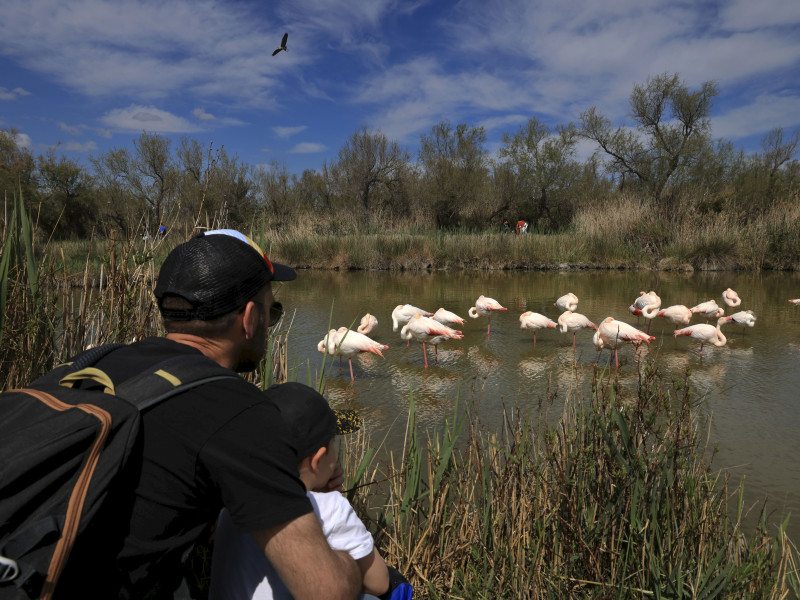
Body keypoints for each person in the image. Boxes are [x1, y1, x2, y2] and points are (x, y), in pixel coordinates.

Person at [56, 229, 362, 600]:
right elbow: (326, 592)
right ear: (249, 318)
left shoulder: (93, 362)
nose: (270, 324)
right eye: (272, 312)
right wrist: (351, 559)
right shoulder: (241, 411)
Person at [210, 383, 408, 600]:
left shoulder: (232, 497)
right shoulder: (331, 507)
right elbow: (378, 583)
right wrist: (327, 498)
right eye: (334, 445)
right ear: (318, 459)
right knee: (394, 590)